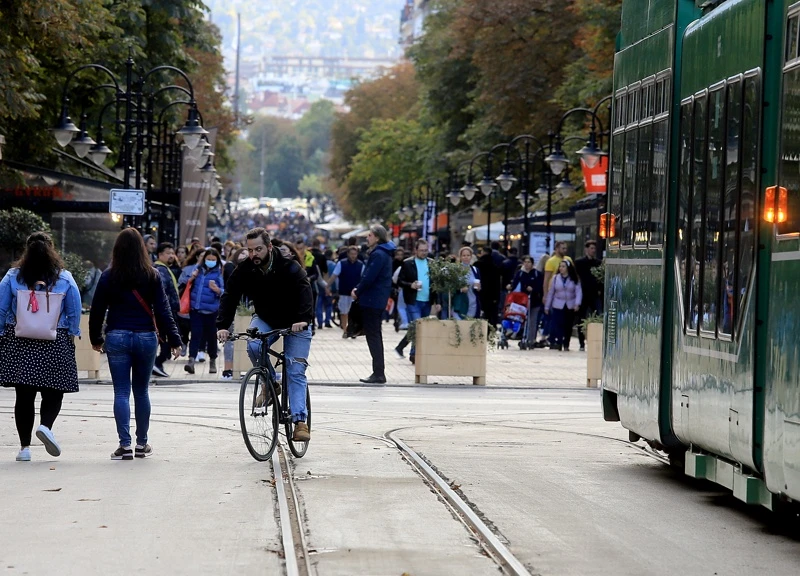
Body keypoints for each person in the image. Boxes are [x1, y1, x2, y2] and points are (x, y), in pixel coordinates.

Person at [89, 229, 181, 460]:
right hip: (145, 337)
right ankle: (142, 444)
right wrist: (174, 340)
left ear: (117, 249)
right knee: (141, 392)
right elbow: (163, 310)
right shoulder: (152, 275)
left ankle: (125, 446)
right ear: (142, 249)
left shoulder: (109, 276)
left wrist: (96, 339)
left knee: (121, 392)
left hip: (117, 336)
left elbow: (97, 310)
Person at [216, 227, 313, 442]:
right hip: (267, 318)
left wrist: (303, 319)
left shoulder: (288, 266)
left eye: (258, 249)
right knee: (253, 344)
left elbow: (305, 289)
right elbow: (230, 294)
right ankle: (270, 384)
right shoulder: (246, 269)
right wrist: (223, 325)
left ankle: (300, 422)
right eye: (250, 250)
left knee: (295, 370)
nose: (254, 255)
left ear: (269, 247)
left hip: (297, 321)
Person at [0, 232, 82, 462]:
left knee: (23, 396)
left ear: (27, 250)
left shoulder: (13, 276)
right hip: (55, 340)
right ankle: (45, 426)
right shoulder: (64, 278)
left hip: (20, 341)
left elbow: (1, 307)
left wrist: (1, 333)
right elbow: (74, 309)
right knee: (54, 390)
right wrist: (72, 332)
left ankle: (24, 448)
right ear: (52, 250)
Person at [351, 225, 395, 384]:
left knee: (373, 336)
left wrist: (358, 290)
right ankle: (378, 371)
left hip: (372, 300)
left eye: (370, 235)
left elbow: (369, 277)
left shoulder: (378, 254)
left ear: (377, 237)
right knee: (375, 335)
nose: (367, 238)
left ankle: (378, 373)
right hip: (377, 299)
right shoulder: (384, 253)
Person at [394, 239, 440, 363]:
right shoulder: (407, 263)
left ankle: (401, 347)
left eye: (426, 250)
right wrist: (411, 285)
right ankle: (414, 354)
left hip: (427, 300)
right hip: (413, 300)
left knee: (419, 328)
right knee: (417, 326)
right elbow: (399, 281)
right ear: (416, 250)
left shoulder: (432, 263)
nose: (424, 253)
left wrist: (437, 302)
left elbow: (436, 285)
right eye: (421, 250)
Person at [185, 248, 224, 375]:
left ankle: (212, 360)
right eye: (209, 259)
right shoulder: (197, 270)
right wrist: (191, 278)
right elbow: (186, 283)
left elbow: (224, 292)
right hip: (196, 309)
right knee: (195, 335)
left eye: (213, 260)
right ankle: (191, 360)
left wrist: (217, 290)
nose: (211, 262)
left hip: (212, 311)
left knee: (212, 337)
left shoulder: (218, 273)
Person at [152, 242, 181, 377]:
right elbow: (161, 294)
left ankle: (156, 364)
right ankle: (156, 363)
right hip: (163, 314)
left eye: (172, 253)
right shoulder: (160, 270)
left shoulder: (165, 269)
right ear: (160, 255)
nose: (171, 256)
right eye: (168, 253)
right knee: (166, 343)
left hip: (167, 312)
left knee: (165, 342)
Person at [221, 247, 250, 380]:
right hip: (234, 310)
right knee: (230, 340)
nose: (245, 255)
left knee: (245, 340)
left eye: (247, 253)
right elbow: (230, 289)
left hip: (247, 310)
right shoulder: (230, 267)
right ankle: (228, 369)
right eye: (242, 253)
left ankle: (242, 367)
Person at [544, 260, 582, 351]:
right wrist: (547, 306)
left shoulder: (574, 278)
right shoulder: (555, 278)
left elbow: (578, 292)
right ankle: (558, 342)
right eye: (560, 266)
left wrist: (577, 303)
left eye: (563, 266)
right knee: (557, 324)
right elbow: (551, 292)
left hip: (570, 304)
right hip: (558, 304)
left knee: (568, 325)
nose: (561, 268)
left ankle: (566, 344)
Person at [507, 255, 544, 348]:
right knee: (521, 319)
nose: (527, 264)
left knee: (532, 321)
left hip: (534, 300)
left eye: (529, 262)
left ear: (532, 264)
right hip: (522, 301)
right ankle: (522, 336)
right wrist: (510, 287)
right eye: (525, 262)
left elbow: (540, 286)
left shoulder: (537, 274)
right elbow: (514, 284)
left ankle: (531, 339)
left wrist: (533, 289)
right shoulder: (520, 273)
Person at [328, 245, 364, 336]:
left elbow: (364, 278)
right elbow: (334, 275)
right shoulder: (341, 263)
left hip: (355, 293)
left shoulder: (361, 265)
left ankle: (353, 330)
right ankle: (345, 330)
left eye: (355, 254)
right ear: (348, 254)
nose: (353, 256)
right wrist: (327, 286)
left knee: (354, 313)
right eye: (351, 254)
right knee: (343, 312)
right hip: (344, 291)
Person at [574, 240, 602, 351]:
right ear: (586, 249)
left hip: (594, 294)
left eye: (594, 248)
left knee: (598, 316)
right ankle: (581, 343)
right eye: (591, 248)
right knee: (581, 318)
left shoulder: (598, 263)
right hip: (583, 294)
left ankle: (596, 340)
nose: (593, 251)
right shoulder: (579, 263)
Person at [474, 246, 501, 327]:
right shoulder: (495, 265)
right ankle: (489, 330)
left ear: (483, 252)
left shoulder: (477, 264)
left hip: (479, 292)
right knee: (489, 314)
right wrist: (497, 297)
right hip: (491, 295)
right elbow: (497, 283)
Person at [452, 246, 481, 320]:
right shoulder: (456, 269)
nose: (466, 257)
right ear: (460, 257)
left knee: (469, 327)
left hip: (472, 303)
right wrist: (461, 289)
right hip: (459, 303)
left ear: (471, 257)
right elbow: (451, 287)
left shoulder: (475, 269)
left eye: (468, 255)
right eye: (464, 255)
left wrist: (478, 287)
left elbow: (479, 287)